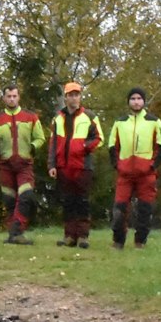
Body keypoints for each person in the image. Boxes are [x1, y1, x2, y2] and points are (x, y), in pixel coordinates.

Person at [0, 86, 45, 245]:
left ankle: (17, 231)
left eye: (14, 96)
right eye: (9, 96)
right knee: (9, 200)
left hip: (25, 164)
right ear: (4, 98)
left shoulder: (30, 117)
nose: (12, 99)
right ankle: (14, 234)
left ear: (19, 97)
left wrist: (33, 147)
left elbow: (40, 138)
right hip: (5, 165)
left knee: (26, 196)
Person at [109, 88, 161, 249]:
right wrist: (118, 165)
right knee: (119, 208)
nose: (136, 101)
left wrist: (152, 165)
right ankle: (118, 241)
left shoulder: (154, 121)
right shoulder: (120, 122)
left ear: (144, 101)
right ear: (128, 102)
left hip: (146, 173)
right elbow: (112, 146)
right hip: (125, 173)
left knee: (144, 209)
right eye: (133, 98)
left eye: (139, 98)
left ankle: (140, 242)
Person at [49, 83, 104, 248]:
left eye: (76, 94)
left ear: (80, 97)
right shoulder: (58, 118)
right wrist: (51, 164)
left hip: (82, 166)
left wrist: (84, 147)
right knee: (68, 202)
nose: (74, 98)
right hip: (63, 166)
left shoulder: (90, 116)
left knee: (82, 201)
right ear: (65, 97)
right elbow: (53, 143)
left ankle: (83, 236)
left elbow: (99, 138)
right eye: (70, 95)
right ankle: (69, 236)